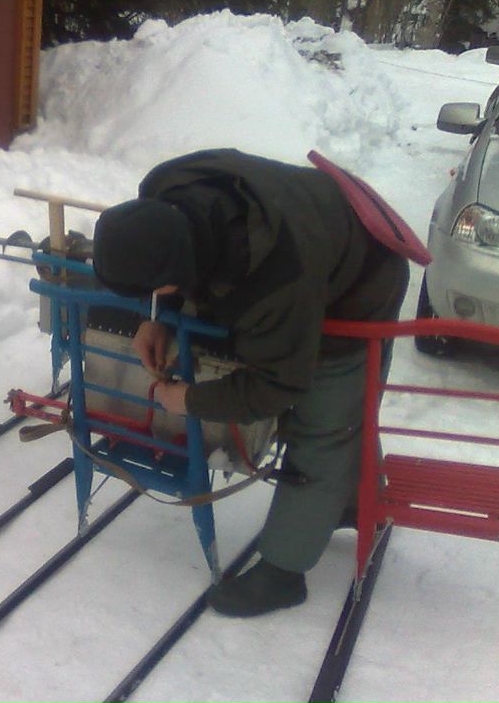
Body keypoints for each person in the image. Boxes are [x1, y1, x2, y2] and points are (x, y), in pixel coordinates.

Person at [92, 148, 410, 617]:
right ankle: (348, 501)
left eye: (153, 291)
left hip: (359, 281)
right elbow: (183, 264)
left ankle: (284, 573)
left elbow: (276, 387)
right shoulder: (164, 191)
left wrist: (189, 400)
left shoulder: (276, 278)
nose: (152, 298)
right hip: (311, 228)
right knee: (341, 413)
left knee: (326, 421)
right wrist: (155, 317)